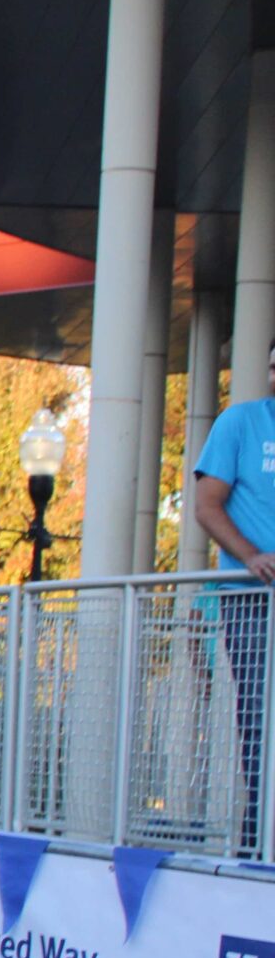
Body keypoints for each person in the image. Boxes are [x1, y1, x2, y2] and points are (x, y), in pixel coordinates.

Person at [191, 361, 275, 847]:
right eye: (274, 367)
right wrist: (251, 557)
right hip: (250, 599)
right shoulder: (239, 422)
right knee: (260, 714)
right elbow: (206, 505)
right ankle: (258, 837)